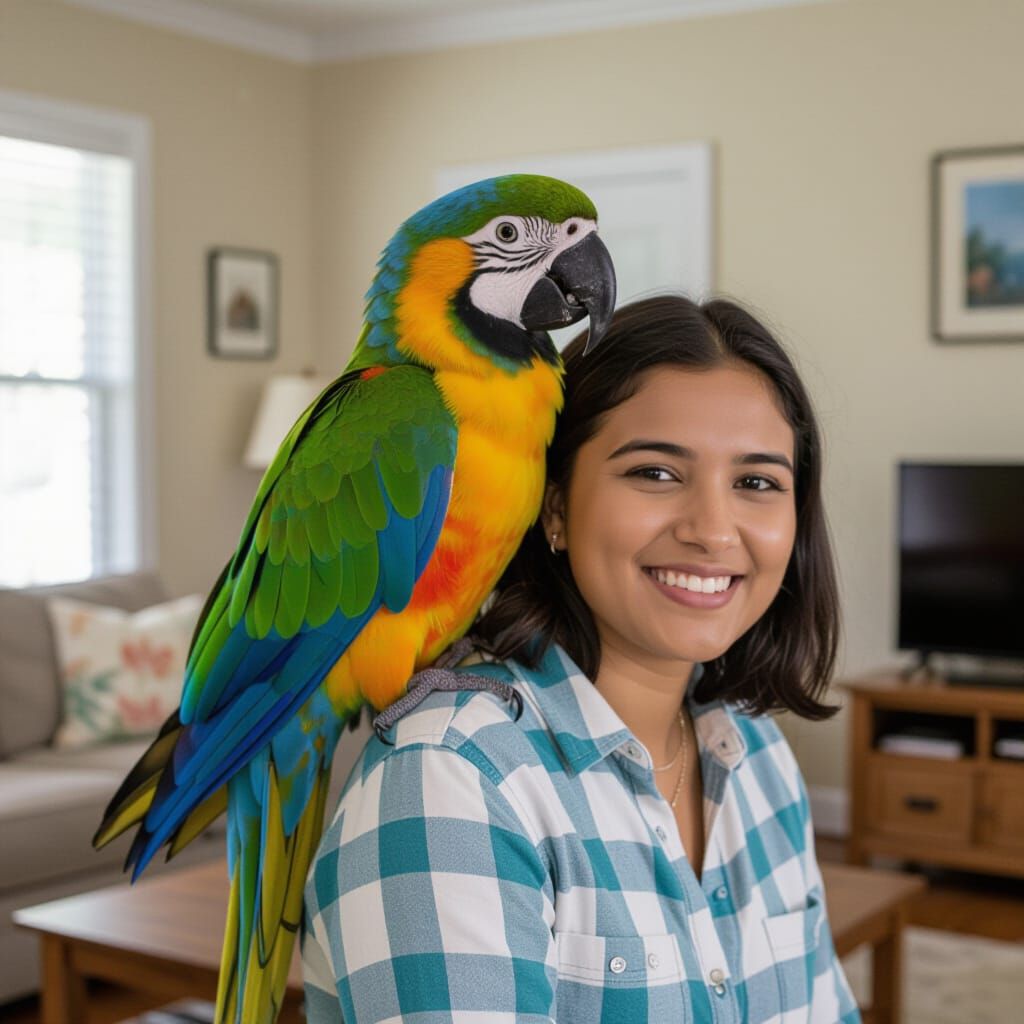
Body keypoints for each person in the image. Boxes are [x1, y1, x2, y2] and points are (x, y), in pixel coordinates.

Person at [302, 294, 860, 1024]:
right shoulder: (451, 774)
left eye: (756, 483)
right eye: (656, 473)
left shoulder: (759, 757)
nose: (713, 531)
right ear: (555, 504)